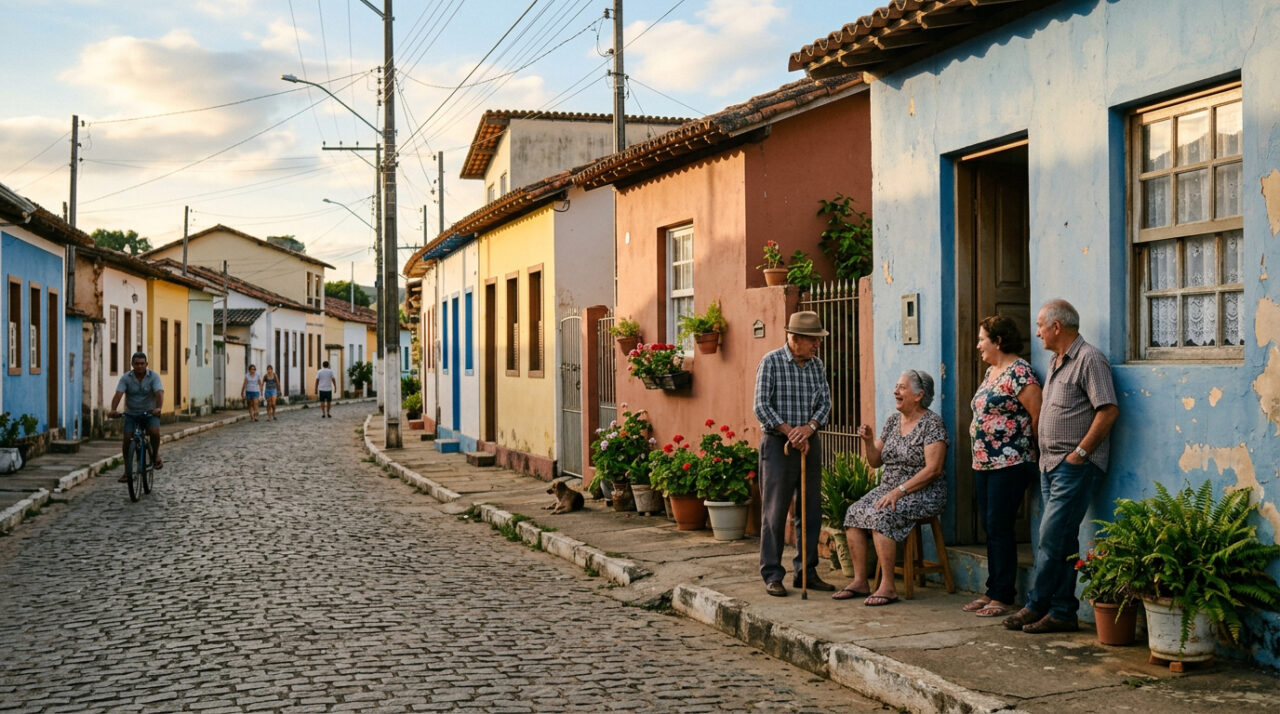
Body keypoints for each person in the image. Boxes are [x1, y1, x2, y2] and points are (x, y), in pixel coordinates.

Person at [1004, 299, 1118, 634]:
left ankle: (1036, 604)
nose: (1036, 331)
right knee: (1064, 540)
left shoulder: (1089, 359)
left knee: (1050, 538)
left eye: (1040, 324)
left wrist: (1080, 454)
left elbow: (1108, 410)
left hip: (1075, 465)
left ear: (1057, 326)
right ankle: (1064, 611)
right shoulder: (1055, 361)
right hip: (1050, 465)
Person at [837, 370, 949, 606]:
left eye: (901, 387)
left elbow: (933, 469)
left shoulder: (932, 423)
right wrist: (868, 441)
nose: (895, 391)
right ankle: (860, 581)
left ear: (919, 395)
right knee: (853, 512)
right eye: (896, 386)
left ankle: (887, 586)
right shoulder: (891, 422)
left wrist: (900, 490)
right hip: (889, 488)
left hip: (924, 491)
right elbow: (875, 461)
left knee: (882, 514)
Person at [962, 315, 1042, 618]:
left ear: (998, 341)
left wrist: (1036, 451)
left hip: (1011, 461)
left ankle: (1004, 596)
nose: (979, 344)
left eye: (983, 338)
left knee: (1000, 526)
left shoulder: (1020, 372)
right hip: (984, 461)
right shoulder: (992, 372)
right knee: (990, 526)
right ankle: (992, 589)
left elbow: (1037, 413)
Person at [753, 310, 834, 597]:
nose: (817, 346)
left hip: (809, 443)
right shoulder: (771, 362)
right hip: (778, 444)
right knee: (774, 512)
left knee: (810, 510)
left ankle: (806, 571)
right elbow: (761, 406)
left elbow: (825, 403)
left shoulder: (816, 365)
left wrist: (809, 429)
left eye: (818, 341)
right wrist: (791, 432)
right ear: (795, 338)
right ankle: (773, 573)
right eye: (813, 340)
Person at [107, 352, 165, 481]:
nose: (139, 366)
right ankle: (127, 472)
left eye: (142, 364)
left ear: (146, 364)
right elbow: (118, 394)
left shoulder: (153, 377)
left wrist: (158, 408)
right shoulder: (126, 378)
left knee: (154, 432)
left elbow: (159, 393)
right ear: (132, 364)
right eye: (137, 364)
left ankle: (155, 455)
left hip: (150, 413)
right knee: (127, 439)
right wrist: (113, 410)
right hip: (131, 414)